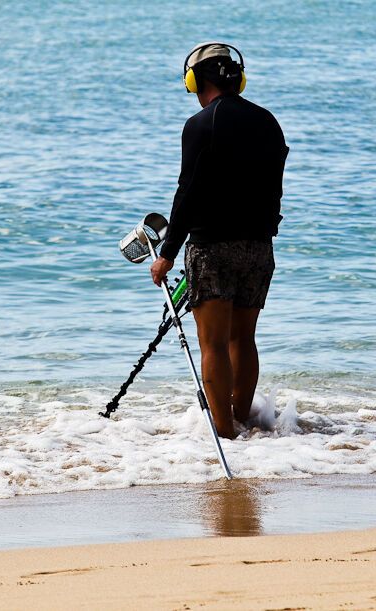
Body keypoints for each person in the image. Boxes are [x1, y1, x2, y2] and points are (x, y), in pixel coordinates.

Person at [150, 42, 288, 439]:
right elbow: (274, 188)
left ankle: (225, 433)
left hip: (212, 248)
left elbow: (187, 192)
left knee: (212, 344)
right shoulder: (267, 121)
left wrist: (166, 254)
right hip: (259, 246)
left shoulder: (201, 125)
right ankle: (242, 421)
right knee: (243, 338)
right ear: (237, 79)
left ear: (195, 80)